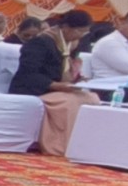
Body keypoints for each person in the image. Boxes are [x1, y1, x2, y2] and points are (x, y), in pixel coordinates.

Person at [8, 9, 98, 155]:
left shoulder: (69, 45)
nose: (81, 35)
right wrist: (56, 85)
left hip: (56, 89)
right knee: (69, 103)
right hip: (33, 88)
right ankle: (58, 145)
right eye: (79, 31)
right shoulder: (40, 42)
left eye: (84, 32)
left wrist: (78, 80)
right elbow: (28, 74)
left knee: (91, 98)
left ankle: (80, 143)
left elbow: (62, 71)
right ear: (66, 27)